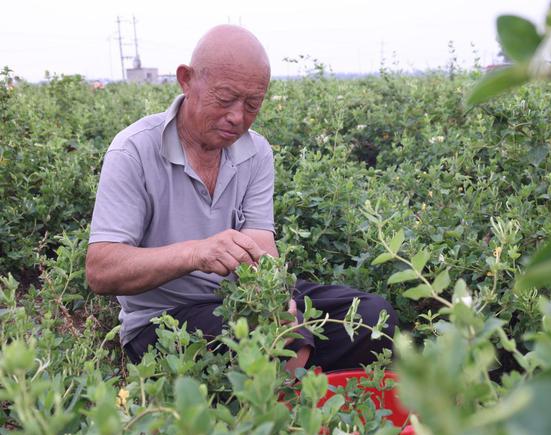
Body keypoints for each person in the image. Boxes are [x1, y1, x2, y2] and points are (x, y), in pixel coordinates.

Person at [85, 25, 397, 373]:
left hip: (243, 300)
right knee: (260, 341)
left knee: (373, 318)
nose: (237, 117)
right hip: (166, 319)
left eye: (252, 104)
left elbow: (260, 242)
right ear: (186, 81)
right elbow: (101, 269)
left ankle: (292, 382)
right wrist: (196, 253)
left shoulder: (256, 151)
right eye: (225, 98)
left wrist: (278, 300)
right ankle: (293, 396)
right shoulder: (134, 151)